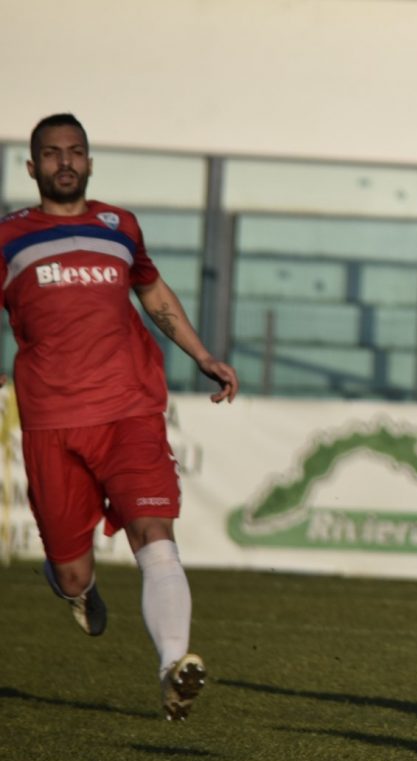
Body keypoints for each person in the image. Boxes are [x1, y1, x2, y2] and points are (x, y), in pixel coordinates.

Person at [0, 113, 239, 721]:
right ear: (32, 168)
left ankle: (173, 669)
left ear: (89, 161)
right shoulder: (8, 237)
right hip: (53, 422)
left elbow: (152, 293)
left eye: (75, 151)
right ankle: (73, 590)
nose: (64, 162)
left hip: (130, 409)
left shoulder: (119, 225)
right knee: (73, 568)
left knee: (155, 535)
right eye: (51, 153)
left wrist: (203, 353)